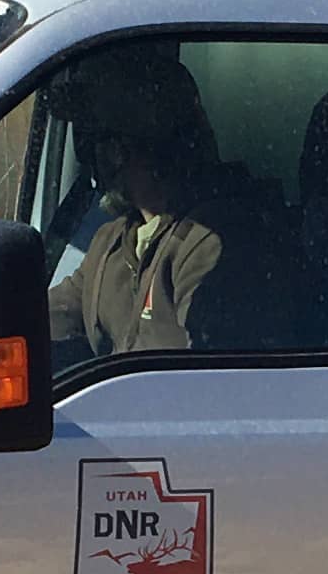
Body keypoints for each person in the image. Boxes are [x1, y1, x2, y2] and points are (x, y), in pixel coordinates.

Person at [54, 46, 264, 360]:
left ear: (126, 149)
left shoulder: (215, 247)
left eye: (100, 140)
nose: (93, 156)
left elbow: (198, 388)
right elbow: (51, 316)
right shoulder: (114, 240)